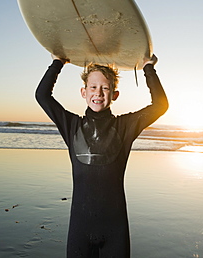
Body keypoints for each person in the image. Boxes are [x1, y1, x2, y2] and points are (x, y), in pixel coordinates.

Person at [36, 54, 168, 258]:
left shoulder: (125, 127)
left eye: (105, 88)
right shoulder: (72, 125)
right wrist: (57, 63)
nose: (98, 93)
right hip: (80, 230)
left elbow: (160, 105)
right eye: (93, 87)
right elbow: (42, 96)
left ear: (115, 94)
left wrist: (148, 68)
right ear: (83, 92)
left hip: (115, 231)